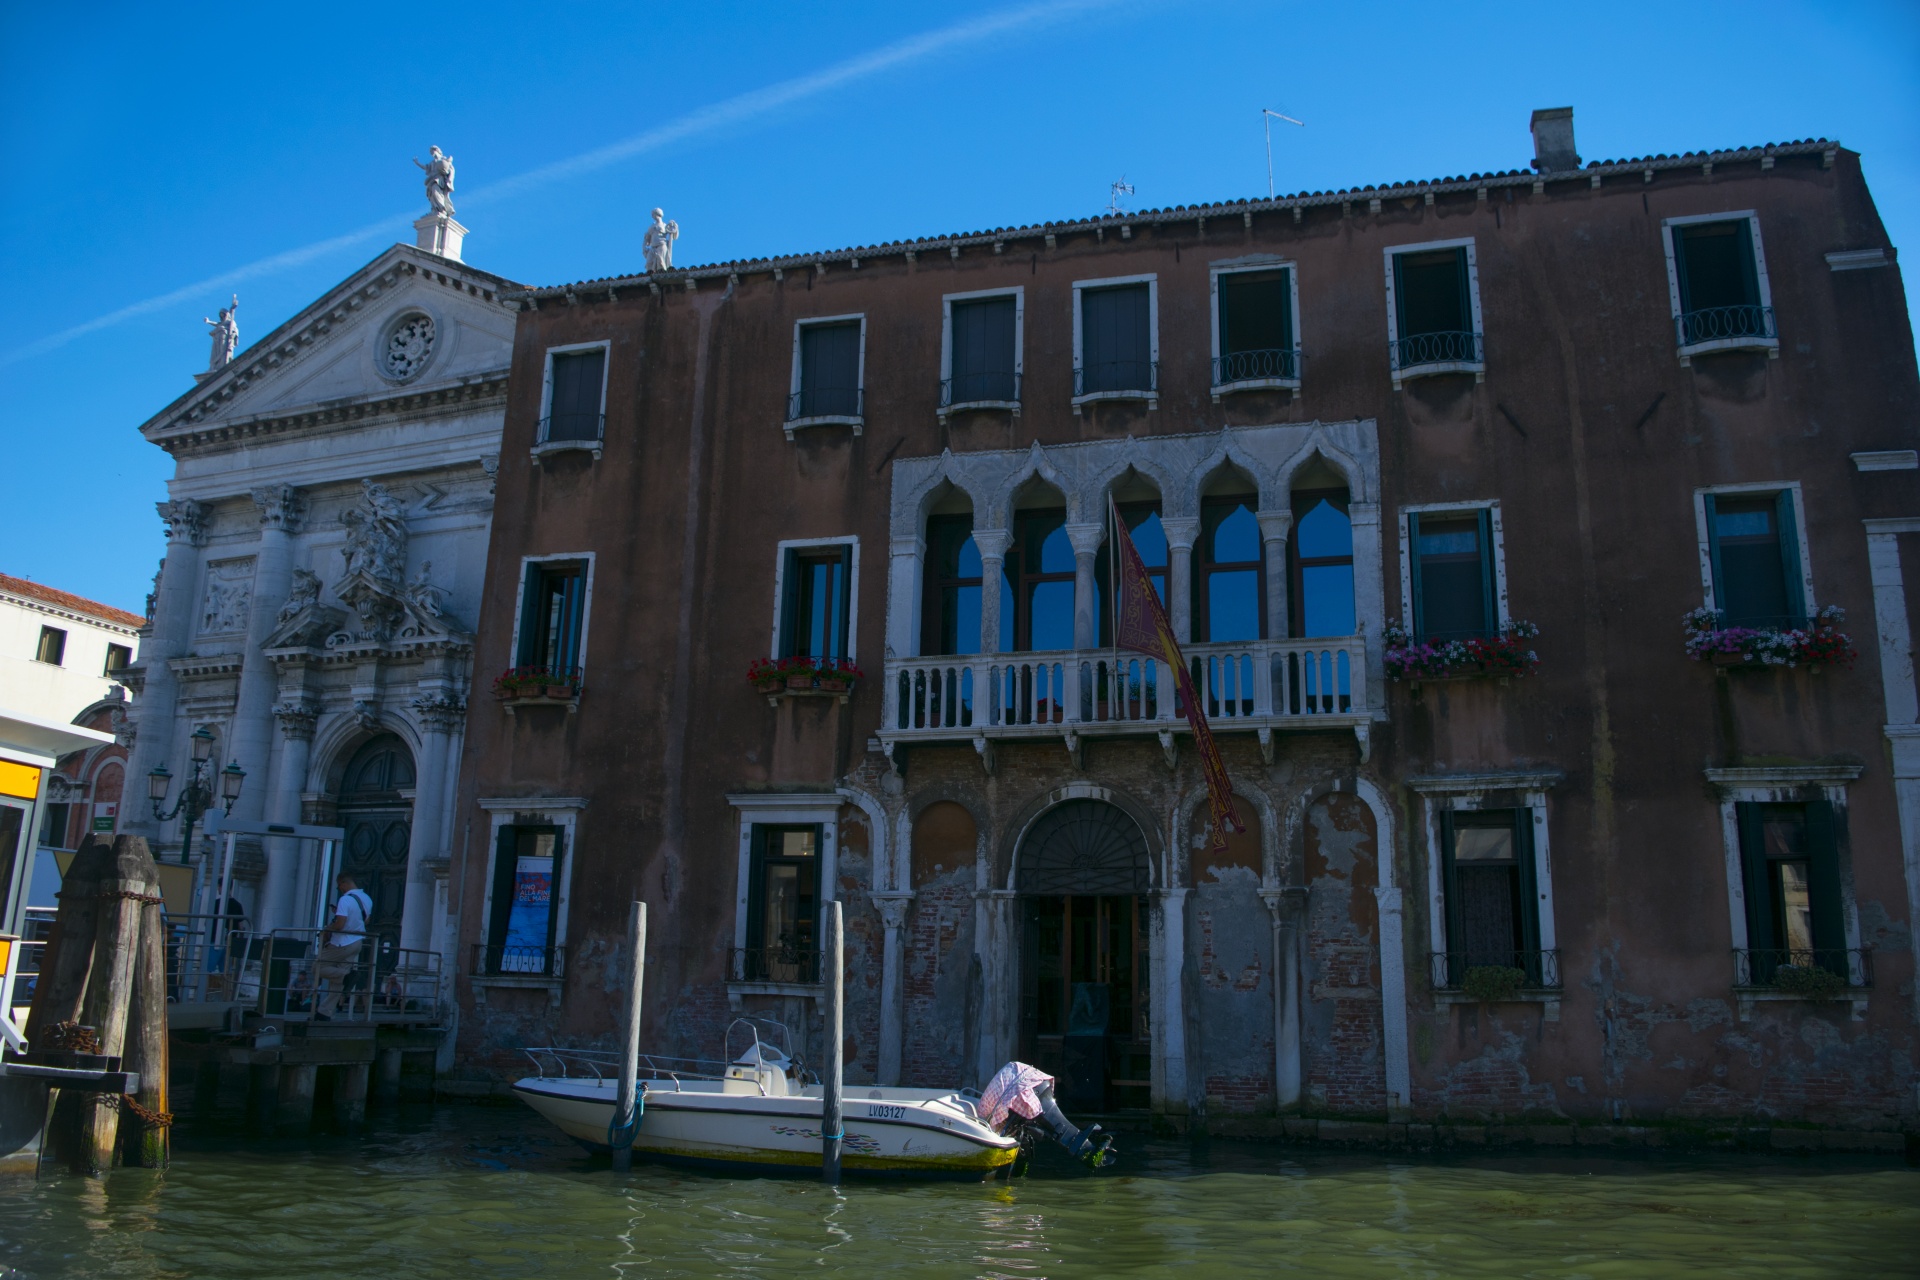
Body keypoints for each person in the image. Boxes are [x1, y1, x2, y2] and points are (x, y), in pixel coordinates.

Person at [313, 873, 372, 1020]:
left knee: (317, 967)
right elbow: (365, 922)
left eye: (339, 886)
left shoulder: (345, 900)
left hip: (342, 943)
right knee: (336, 982)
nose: (339, 889)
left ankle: (347, 976)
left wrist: (327, 929)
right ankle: (325, 1012)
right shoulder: (367, 899)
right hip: (357, 942)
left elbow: (340, 925)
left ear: (343, 883)